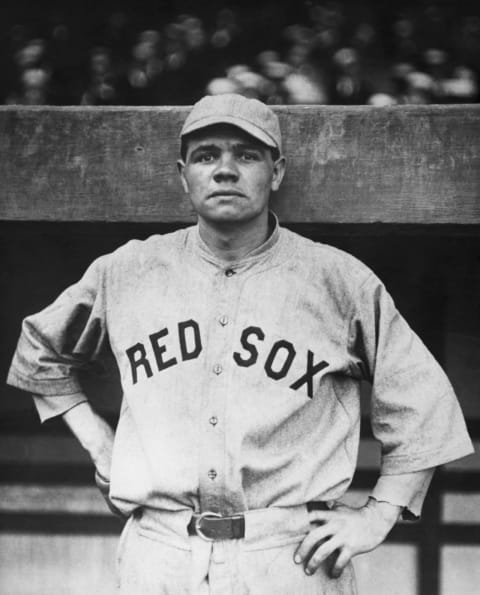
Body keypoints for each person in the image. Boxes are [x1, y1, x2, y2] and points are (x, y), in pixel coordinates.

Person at [7, 93, 473, 594]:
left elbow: (423, 402)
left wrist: (380, 512)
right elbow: (40, 349)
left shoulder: (338, 280)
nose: (225, 170)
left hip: (287, 553)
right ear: (183, 173)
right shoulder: (127, 271)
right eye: (207, 156)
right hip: (160, 550)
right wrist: (101, 446)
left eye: (246, 155)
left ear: (276, 172)